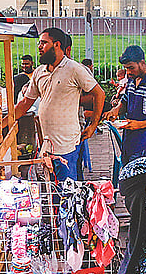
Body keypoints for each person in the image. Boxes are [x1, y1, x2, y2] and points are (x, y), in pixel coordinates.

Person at [13, 28, 103, 184]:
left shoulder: (74, 69)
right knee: (52, 190)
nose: (39, 47)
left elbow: (99, 94)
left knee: (67, 191)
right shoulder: (39, 72)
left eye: (43, 43)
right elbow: (26, 102)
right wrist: (4, 122)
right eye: (39, 43)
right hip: (47, 144)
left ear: (57, 44)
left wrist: (94, 125)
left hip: (67, 145)